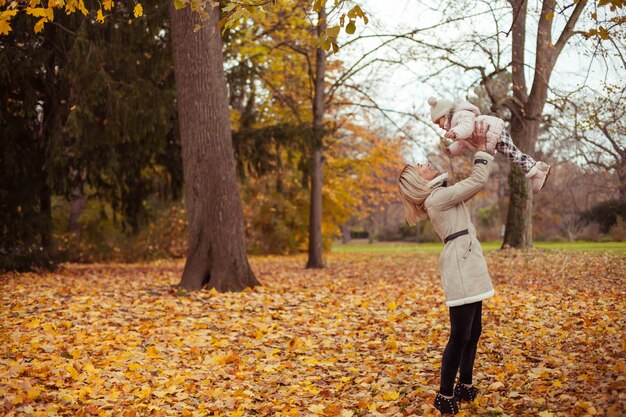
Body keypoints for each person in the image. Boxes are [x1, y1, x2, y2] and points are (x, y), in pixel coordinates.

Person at [397, 122, 495, 415]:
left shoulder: (440, 193)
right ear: (418, 180)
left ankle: (465, 384)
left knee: (473, 330)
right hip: (460, 264)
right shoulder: (436, 198)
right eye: (419, 165)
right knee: (460, 334)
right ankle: (444, 394)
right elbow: (477, 181)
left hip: (468, 258)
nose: (424, 162)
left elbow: (466, 184)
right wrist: (479, 150)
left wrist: (470, 145)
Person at [428, 96, 551, 194]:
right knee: (514, 154)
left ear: (445, 114)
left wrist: (455, 133)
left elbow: (467, 127)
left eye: (439, 122)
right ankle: (539, 167)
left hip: (494, 132)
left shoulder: (459, 116)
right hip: (491, 136)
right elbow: (462, 144)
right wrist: (451, 149)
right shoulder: (456, 126)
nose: (439, 126)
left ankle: (537, 172)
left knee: (514, 154)